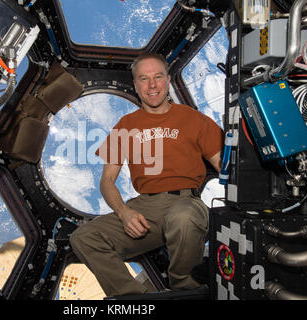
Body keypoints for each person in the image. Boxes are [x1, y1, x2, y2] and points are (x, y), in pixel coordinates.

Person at [69, 52, 223, 297]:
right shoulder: (125, 125)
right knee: (84, 237)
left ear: (168, 80)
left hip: (185, 202)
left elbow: (223, 166)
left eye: (158, 77)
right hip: (146, 207)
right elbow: (107, 181)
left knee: (183, 218)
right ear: (136, 86)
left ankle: (184, 288)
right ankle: (134, 300)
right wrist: (124, 212)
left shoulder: (193, 119)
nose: (152, 85)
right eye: (144, 79)